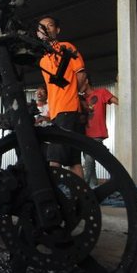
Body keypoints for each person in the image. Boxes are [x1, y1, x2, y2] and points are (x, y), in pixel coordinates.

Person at [37, 15, 86, 178]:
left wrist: (71, 95)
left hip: (68, 109)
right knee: (74, 160)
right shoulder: (43, 60)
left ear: (57, 30)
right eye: (41, 27)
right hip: (58, 112)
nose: (45, 29)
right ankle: (83, 200)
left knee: (54, 158)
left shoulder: (66, 47)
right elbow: (51, 90)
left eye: (50, 25)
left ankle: (54, 200)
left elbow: (81, 75)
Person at [79, 72, 118, 187]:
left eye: (80, 81)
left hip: (96, 134)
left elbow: (118, 101)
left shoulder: (101, 92)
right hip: (84, 134)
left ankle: (83, 187)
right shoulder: (80, 99)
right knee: (90, 161)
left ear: (86, 81)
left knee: (89, 161)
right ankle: (93, 186)